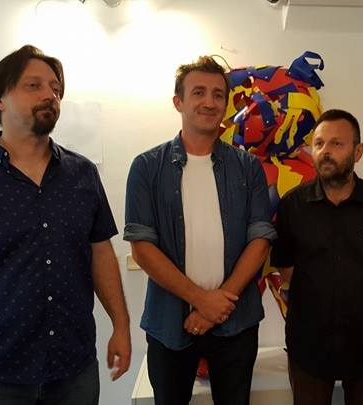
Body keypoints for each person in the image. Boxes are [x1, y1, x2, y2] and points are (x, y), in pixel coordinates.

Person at [0, 45, 131, 405]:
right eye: (33, 86)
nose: (50, 95)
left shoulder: (82, 174)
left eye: (55, 88)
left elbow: (101, 253)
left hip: (74, 367)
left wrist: (121, 326)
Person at [124, 55, 276, 405]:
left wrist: (217, 304)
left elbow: (261, 238)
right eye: (198, 92)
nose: (209, 102)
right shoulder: (146, 168)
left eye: (218, 95)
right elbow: (142, 248)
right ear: (178, 101)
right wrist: (201, 299)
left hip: (236, 322)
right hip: (168, 323)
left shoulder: (248, 167)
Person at [271, 109, 363, 405]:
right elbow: (284, 264)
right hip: (308, 344)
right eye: (319, 143)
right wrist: (319, 292)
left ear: (358, 151)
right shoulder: (292, 205)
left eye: (337, 144)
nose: (326, 151)